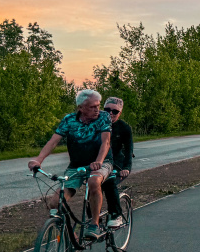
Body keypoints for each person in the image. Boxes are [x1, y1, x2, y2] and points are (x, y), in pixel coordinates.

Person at [29, 89, 112, 240]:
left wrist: (98, 161)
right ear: (81, 108)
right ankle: (71, 238)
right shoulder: (69, 120)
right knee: (55, 203)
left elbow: (106, 142)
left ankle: (94, 224)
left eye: (98, 105)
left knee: (94, 181)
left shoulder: (104, 117)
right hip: (77, 165)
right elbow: (53, 141)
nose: (97, 109)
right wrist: (38, 160)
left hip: (102, 162)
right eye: (92, 107)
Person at [101, 97, 132, 228]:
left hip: (117, 164)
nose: (111, 113)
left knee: (109, 183)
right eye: (107, 110)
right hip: (100, 162)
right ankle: (93, 220)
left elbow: (128, 149)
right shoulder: (98, 124)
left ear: (120, 113)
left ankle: (116, 214)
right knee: (92, 188)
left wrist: (126, 167)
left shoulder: (124, 128)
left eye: (115, 111)